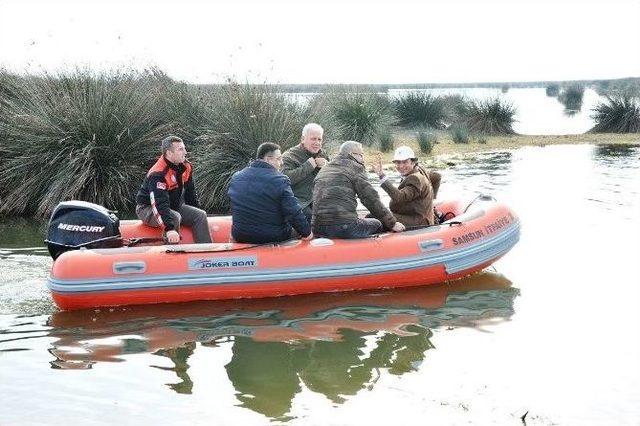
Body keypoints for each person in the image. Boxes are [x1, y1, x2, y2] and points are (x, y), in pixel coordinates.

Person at [312, 141, 405, 239]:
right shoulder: (355, 167)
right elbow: (370, 198)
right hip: (344, 227)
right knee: (377, 223)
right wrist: (392, 223)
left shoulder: (324, 169)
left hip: (317, 227)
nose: (363, 159)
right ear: (352, 154)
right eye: (361, 155)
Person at [228, 142, 313, 244]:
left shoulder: (236, 177)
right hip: (272, 236)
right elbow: (293, 212)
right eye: (278, 159)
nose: (281, 162)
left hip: (240, 235)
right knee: (302, 230)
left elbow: (234, 206)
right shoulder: (280, 180)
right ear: (268, 159)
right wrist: (307, 233)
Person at [135, 135, 212, 244]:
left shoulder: (186, 166)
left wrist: (196, 210)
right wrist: (169, 228)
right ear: (169, 153)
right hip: (147, 208)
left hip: (173, 205)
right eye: (180, 149)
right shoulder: (158, 174)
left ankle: (205, 251)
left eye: (184, 148)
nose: (185, 152)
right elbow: (158, 203)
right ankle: (171, 252)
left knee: (200, 215)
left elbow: (191, 195)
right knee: (175, 217)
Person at [372, 146, 442, 227]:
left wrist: (382, 176)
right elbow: (437, 176)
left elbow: (400, 197)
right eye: (398, 162)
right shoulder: (420, 170)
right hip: (415, 215)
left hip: (418, 221)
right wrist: (431, 199)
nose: (401, 166)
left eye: (405, 162)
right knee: (376, 216)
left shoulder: (415, 178)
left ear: (413, 162)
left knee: (375, 217)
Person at [281, 123, 330, 222]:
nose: (317, 143)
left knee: (337, 216)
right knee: (311, 220)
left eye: (319, 139)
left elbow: (333, 177)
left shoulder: (323, 153)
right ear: (303, 139)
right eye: (313, 139)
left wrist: (327, 166)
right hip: (299, 201)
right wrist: (308, 166)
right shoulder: (289, 156)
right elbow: (284, 179)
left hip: (319, 199)